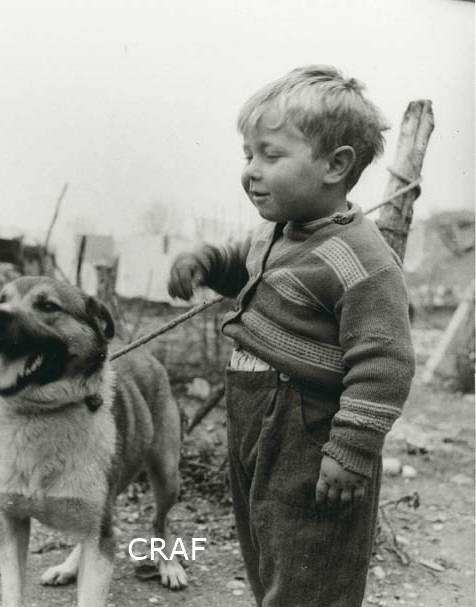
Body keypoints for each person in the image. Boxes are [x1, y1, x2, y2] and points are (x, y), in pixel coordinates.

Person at [168, 65, 415, 606]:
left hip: (309, 431)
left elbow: (385, 361)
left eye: (270, 156)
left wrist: (350, 451)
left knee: (311, 565)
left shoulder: (364, 261)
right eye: (247, 155)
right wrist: (205, 262)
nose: (251, 172)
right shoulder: (277, 233)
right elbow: (247, 268)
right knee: (269, 548)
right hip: (254, 418)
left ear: (335, 165)